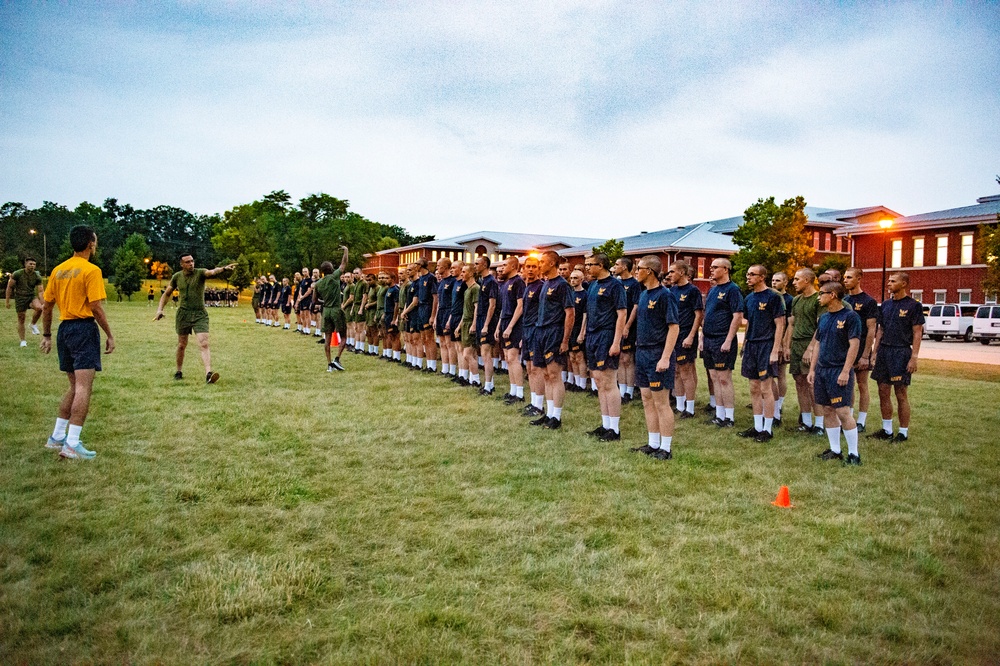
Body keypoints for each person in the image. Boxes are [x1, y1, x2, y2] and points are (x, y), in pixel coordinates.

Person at [40, 226, 115, 460]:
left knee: (74, 387)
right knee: (84, 388)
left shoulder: (58, 270)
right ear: (91, 244)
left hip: (64, 329)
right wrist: (109, 334)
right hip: (83, 328)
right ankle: (71, 444)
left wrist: (47, 335)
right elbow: (95, 306)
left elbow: (47, 306)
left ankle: (56, 437)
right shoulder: (91, 270)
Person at [155, 253, 236, 383]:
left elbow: (211, 272)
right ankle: (179, 371)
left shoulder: (200, 273)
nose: (191, 264)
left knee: (204, 343)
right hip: (183, 314)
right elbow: (167, 294)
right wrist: (160, 309)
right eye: (187, 262)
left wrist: (224, 268)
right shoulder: (177, 276)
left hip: (200, 314)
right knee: (182, 344)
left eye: (192, 261)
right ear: (181, 264)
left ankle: (208, 373)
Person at [630, 255, 680, 459]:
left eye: (638, 268)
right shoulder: (643, 295)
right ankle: (653, 443)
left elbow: (674, 328)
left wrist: (665, 357)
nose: (636, 272)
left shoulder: (665, 295)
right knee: (646, 399)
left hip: (657, 353)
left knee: (661, 402)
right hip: (642, 352)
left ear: (649, 271)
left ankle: (666, 448)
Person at [808, 281, 863, 465]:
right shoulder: (823, 318)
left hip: (838, 370)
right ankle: (835, 450)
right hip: (822, 370)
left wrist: (846, 371)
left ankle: (854, 454)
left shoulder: (850, 317)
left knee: (842, 411)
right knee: (827, 410)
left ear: (832, 295)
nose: (818, 297)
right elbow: (818, 344)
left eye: (821, 293)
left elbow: (854, 344)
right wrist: (812, 369)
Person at [869, 272, 924, 442]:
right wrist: (875, 352)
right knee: (883, 391)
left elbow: (917, 332)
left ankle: (903, 432)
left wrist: (914, 357)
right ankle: (886, 430)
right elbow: (880, 330)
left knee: (900, 392)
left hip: (901, 352)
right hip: (884, 351)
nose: (889, 284)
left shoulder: (913, 305)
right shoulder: (885, 305)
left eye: (893, 281)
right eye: (889, 281)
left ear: (904, 284)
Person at [527, 250, 574, 429]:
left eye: (543, 262)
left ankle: (557, 417)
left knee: (555, 375)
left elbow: (570, 313)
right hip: (540, 331)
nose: (540, 265)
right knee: (545, 375)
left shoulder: (562, 285)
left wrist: (564, 340)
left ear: (552, 264)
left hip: (554, 332)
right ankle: (549, 413)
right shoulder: (546, 283)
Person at [738, 265, 785, 442]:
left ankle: (768, 429)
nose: (748, 277)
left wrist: (775, 349)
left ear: (762, 277)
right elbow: (749, 322)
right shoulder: (749, 298)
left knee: (766, 388)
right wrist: (745, 344)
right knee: (753, 387)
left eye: (752, 274)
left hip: (766, 345)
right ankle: (757, 426)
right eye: (747, 274)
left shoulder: (773, 297)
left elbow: (780, 324)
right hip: (752, 346)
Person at [582, 253, 627, 440]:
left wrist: (616, 342)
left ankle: (614, 430)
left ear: (600, 265)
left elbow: (622, 314)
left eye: (590, 264)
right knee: (599, 381)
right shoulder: (593, 285)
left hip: (606, 335)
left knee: (609, 381)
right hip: (592, 336)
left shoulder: (615, 285)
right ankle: (605, 424)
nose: (586, 268)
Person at [701, 259, 743, 428]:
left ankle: (729, 417)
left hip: (722, 339)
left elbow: (737, 316)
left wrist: (728, 340)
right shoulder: (712, 290)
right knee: (714, 377)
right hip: (709, 339)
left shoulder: (732, 290)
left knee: (724, 378)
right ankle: (719, 414)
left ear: (725, 269)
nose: (711, 270)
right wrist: (702, 339)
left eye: (715, 267)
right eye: (711, 267)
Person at [785, 268, 824, 435]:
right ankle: (806, 422)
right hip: (796, 345)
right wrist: (786, 346)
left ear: (807, 281)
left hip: (811, 344)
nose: (793, 282)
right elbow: (791, 324)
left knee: (812, 385)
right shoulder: (796, 300)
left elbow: (821, 326)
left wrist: (811, 348)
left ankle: (820, 424)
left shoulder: (818, 300)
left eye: (796, 279)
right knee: (799, 383)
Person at [843, 267, 878, 432]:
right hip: (845, 348)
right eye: (844, 277)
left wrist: (866, 355)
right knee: (847, 384)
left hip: (861, 346)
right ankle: (848, 418)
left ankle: (861, 421)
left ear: (859, 279)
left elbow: (871, 329)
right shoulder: (843, 300)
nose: (845, 280)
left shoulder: (868, 301)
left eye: (849, 277)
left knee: (862, 384)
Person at [668, 260, 703, 419]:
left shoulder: (692, 291)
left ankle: (690, 408)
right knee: (675, 370)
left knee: (686, 371)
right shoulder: (671, 291)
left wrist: (691, 335)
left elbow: (698, 315)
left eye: (672, 272)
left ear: (682, 272)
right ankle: (680, 404)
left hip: (685, 336)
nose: (669, 275)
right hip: (673, 336)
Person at [313, 246, 350, 371]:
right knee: (344, 336)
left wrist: (324, 301)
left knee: (327, 338)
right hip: (336, 309)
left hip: (326, 311)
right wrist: (346, 250)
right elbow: (344, 263)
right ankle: (337, 359)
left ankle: (329, 364)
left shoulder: (318, 283)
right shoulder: (335, 276)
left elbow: (314, 300)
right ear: (331, 269)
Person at [496, 256, 526, 404]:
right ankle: (512, 390)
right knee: (507, 358)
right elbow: (503, 308)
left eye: (505, 264)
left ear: (514, 266)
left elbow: (520, 306)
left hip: (514, 324)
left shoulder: (519, 282)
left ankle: (520, 394)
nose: (502, 268)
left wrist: (510, 326)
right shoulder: (506, 282)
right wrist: (499, 326)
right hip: (505, 321)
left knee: (513, 358)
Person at [520, 255, 546, 414]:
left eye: (534, 267)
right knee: (529, 368)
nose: (530, 270)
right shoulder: (527, 286)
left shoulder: (541, 286)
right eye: (528, 267)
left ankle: (539, 406)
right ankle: (533, 401)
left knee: (536, 369)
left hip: (536, 330)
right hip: (526, 329)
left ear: (539, 269)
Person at [614, 257, 641, 403]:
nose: (615, 266)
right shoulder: (616, 283)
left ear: (624, 267)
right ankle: (621, 389)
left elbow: (635, 307)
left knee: (627, 359)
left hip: (629, 327)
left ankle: (629, 392)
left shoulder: (634, 284)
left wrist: (627, 326)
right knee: (619, 358)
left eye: (617, 264)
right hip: (617, 326)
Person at [473, 255, 500, 394]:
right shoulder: (482, 281)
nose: (475, 266)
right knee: (483, 353)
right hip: (480, 318)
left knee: (486, 353)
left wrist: (486, 325)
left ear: (484, 265)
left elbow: (492, 305)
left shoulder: (491, 282)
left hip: (487, 320)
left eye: (477, 263)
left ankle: (488, 386)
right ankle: (489, 383)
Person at [770, 271, 794, 424]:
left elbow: (789, 324)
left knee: (780, 374)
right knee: (768, 376)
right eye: (772, 280)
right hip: (767, 340)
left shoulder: (790, 300)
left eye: (778, 280)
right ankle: (770, 403)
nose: (774, 283)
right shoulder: (770, 296)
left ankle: (778, 406)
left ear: (785, 282)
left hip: (781, 341)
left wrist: (784, 345)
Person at [6, 256, 44, 347]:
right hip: (20, 298)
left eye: (34, 264)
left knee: (39, 308)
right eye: (30, 264)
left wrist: (43, 303)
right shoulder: (17, 274)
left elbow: (40, 291)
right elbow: (10, 287)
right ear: (25, 264)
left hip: (31, 296)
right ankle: (23, 341)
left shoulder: (37, 276)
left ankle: (33, 324)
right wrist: (7, 301)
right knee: (21, 318)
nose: (32, 266)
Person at [567, 269, 589, 393]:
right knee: (572, 357)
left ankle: (582, 384)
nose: (573, 280)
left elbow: (586, 315)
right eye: (571, 278)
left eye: (575, 278)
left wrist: (582, 332)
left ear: (581, 279)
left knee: (580, 357)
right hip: (570, 329)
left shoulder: (585, 295)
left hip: (579, 329)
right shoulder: (570, 294)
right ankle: (576, 382)